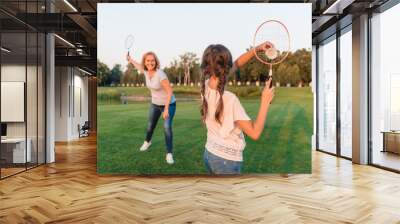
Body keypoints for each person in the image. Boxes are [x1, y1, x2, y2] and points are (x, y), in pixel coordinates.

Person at [200, 44, 275, 174]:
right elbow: (254, 133)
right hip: (226, 161)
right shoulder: (229, 99)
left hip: (209, 153)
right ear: (226, 67)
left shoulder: (205, 86)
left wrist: (256, 49)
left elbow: (237, 64)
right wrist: (265, 100)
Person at [127, 51, 176, 164]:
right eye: (148, 60)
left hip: (169, 104)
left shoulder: (160, 74)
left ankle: (169, 154)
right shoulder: (145, 71)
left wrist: (167, 109)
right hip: (155, 104)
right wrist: (130, 60)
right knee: (150, 126)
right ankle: (147, 142)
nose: (150, 62)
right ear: (145, 62)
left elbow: (169, 91)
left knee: (167, 127)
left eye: (152, 60)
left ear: (156, 61)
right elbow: (138, 66)